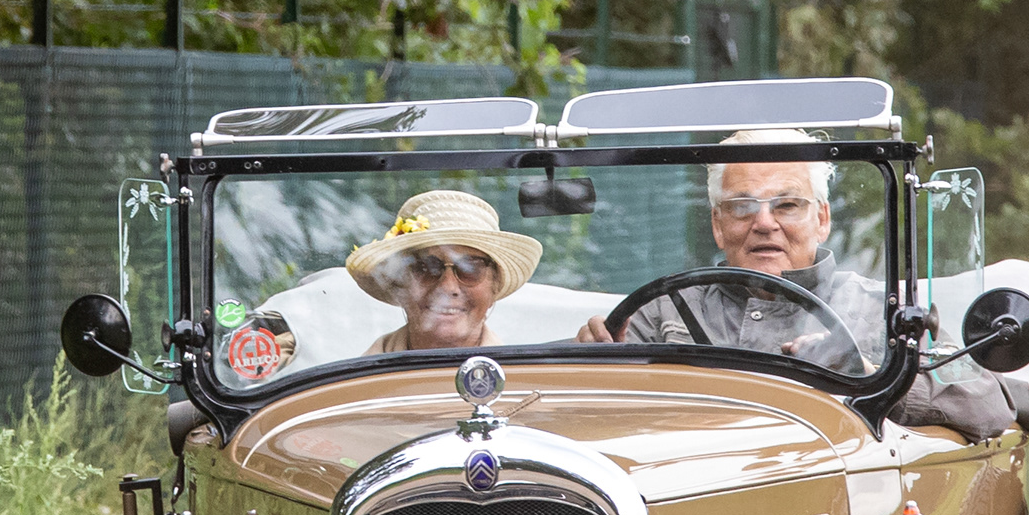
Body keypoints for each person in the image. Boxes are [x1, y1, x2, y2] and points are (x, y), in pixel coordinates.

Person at [581, 142, 882, 367]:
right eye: (742, 207)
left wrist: (860, 371)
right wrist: (596, 358)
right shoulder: (665, 310)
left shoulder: (880, 310)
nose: (764, 223)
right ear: (718, 225)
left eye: (787, 205)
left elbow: (915, 410)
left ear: (822, 220)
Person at [345, 189, 541, 352]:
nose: (448, 287)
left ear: (494, 287)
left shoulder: (524, 381)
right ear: (400, 286)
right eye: (427, 267)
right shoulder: (354, 383)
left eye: (470, 268)